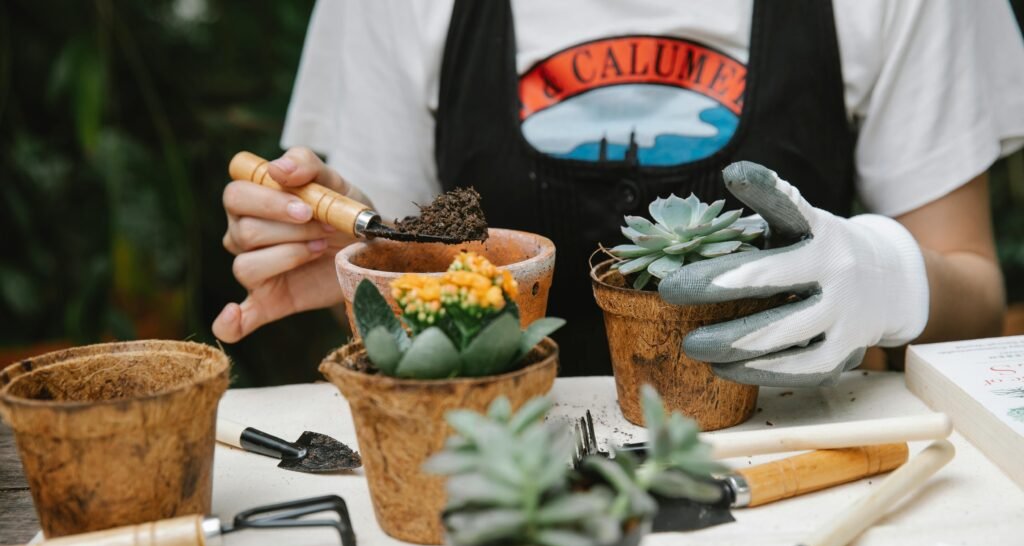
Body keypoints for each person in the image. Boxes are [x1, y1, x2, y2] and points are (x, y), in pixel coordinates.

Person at [216, 0, 1024, 384]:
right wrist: (361, 269)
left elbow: (976, 299)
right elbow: (388, 281)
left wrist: (886, 277)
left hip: (806, 458)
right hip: (508, 466)